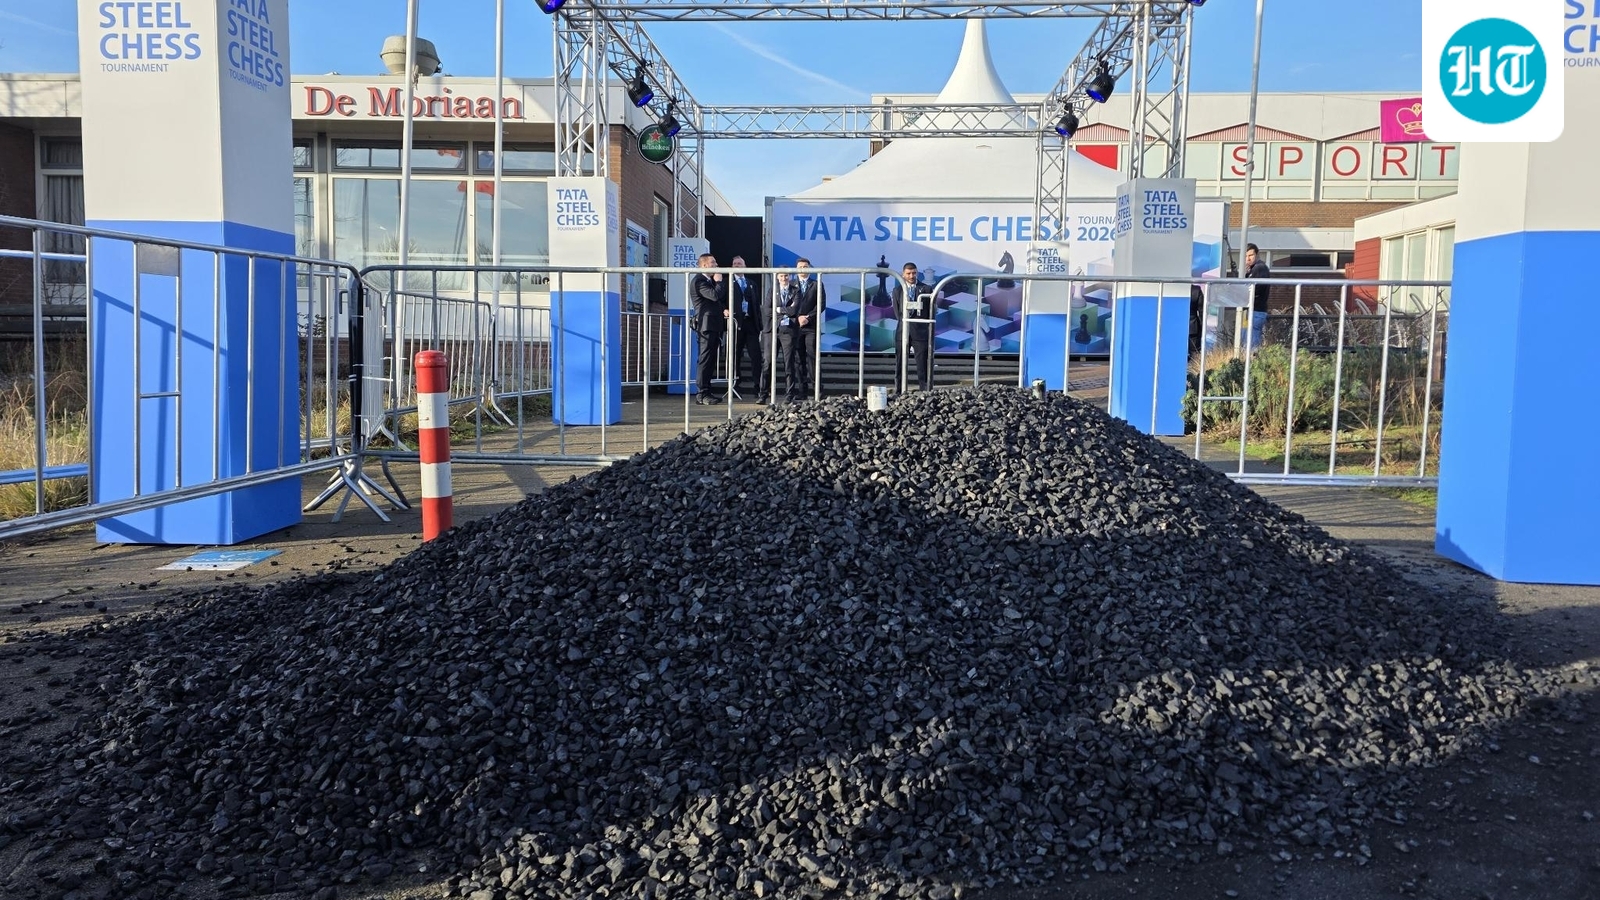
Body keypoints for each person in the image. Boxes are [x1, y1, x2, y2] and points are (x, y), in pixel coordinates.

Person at [782, 258, 823, 403]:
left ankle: (817, 391)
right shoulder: (791, 284)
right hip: (795, 326)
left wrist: (808, 317)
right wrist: (798, 317)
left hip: (811, 326)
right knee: (798, 360)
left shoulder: (817, 284)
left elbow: (821, 304)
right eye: (800, 266)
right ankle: (802, 391)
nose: (803, 269)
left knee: (812, 357)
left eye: (805, 266)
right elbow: (787, 304)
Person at [691, 252, 729, 405]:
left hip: (714, 325)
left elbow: (717, 301)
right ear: (704, 265)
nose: (716, 265)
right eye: (713, 263)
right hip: (705, 326)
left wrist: (723, 309)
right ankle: (701, 393)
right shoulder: (699, 281)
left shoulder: (708, 281)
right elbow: (714, 296)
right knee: (705, 359)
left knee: (711, 359)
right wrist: (719, 282)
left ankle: (707, 390)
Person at [891, 262, 934, 393]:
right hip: (902, 331)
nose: (911, 276)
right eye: (908, 273)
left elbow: (930, 310)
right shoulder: (897, 290)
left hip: (920, 332)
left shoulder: (926, 289)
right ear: (903, 274)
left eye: (914, 273)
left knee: (922, 364)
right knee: (900, 362)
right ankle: (899, 390)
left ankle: (925, 391)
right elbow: (897, 312)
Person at [728, 256, 763, 394]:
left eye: (739, 264)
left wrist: (759, 325)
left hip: (751, 324)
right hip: (736, 324)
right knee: (735, 355)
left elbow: (756, 305)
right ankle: (735, 384)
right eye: (734, 264)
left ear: (745, 266)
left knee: (756, 356)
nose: (737, 266)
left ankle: (758, 385)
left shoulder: (751, 283)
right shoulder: (727, 282)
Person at [758, 271, 791, 405]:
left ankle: (789, 395)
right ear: (777, 277)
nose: (784, 278)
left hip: (787, 332)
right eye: (781, 276)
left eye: (786, 275)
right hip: (771, 331)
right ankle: (763, 394)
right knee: (767, 363)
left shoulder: (795, 291)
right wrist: (785, 311)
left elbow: (795, 310)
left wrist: (778, 310)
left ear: (790, 276)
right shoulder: (772, 290)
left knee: (788, 363)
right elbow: (767, 309)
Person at [1242, 243, 1271, 350]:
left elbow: (1258, 287)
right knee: (1246, 342)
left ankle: (1252, 358)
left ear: (1257, 255)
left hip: (1255, 310)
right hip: (1252, 310)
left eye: (1251, 255)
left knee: (1251, 344)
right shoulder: (1253, 269)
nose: (1248, 259)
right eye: (1245, 256)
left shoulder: (1259, 268)